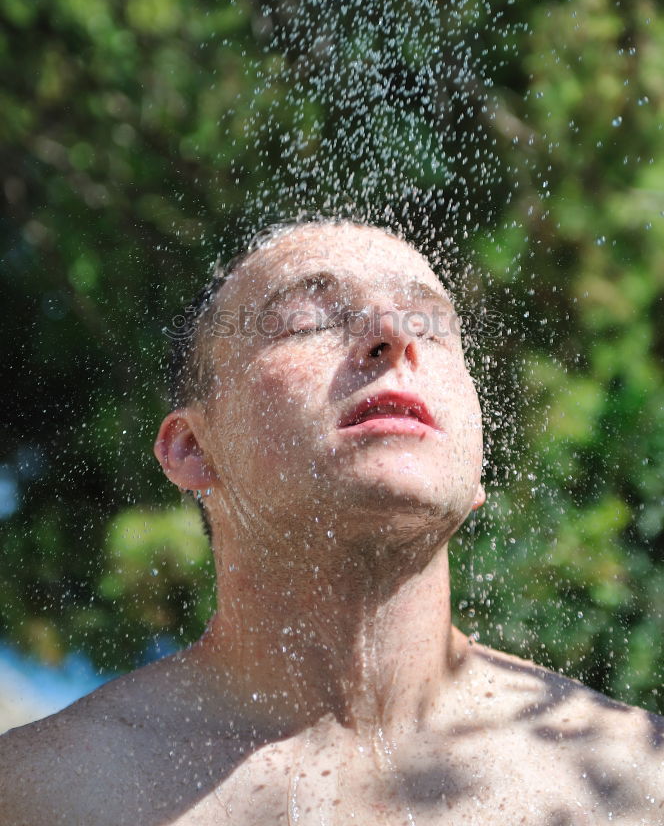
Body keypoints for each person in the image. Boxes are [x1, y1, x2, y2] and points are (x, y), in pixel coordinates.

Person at [1, 218, 662, 826]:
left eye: (432, 326)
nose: (395, 335)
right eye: (308, 319)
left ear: (477, 469)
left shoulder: (636, 782)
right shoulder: (45, 792)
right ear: (192, 449)